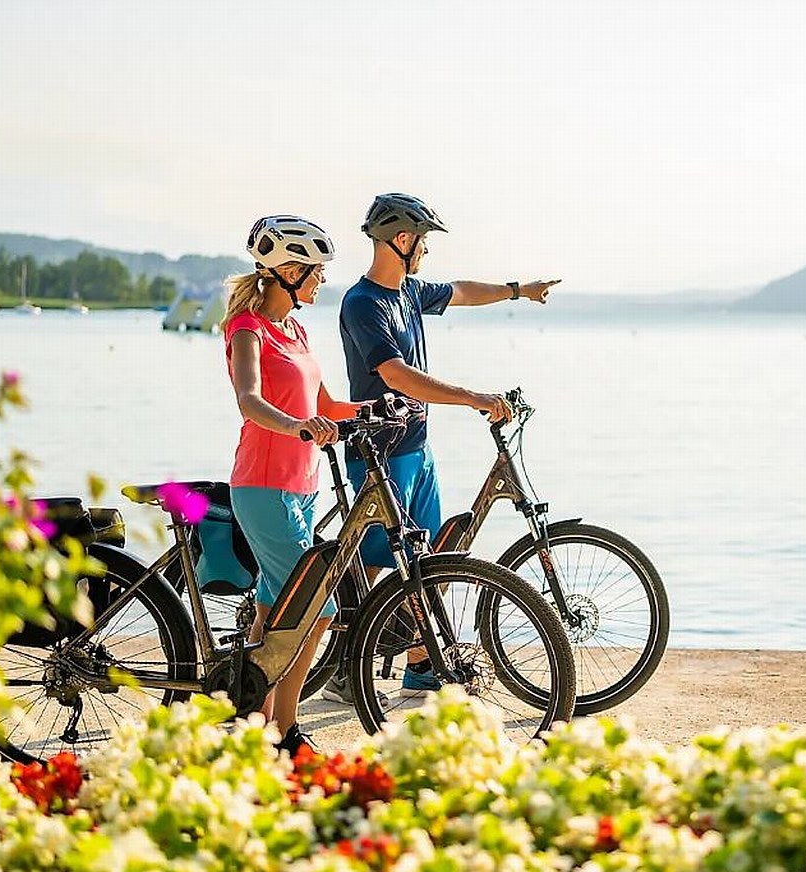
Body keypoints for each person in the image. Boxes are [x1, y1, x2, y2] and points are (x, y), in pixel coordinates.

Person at [322, 192, 559, 703]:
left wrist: (518, 291)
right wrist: (472, 397)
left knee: (426, 561)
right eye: (424, 241)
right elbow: (396, 375)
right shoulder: (362, 303)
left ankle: (419, 666)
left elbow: (462, 292)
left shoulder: (408, 291)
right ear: (403, 240)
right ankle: (344, 669)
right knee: (369, 564)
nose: (427, 251)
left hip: (417, 448)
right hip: (379, 454)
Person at [223, 214, 365, 755]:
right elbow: (250, 401)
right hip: (263, 486)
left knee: (272, 611)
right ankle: (286, 729)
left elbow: (325, 405)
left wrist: (379, 408)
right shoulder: (247, 329)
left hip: (302, 486)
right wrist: (298, 426)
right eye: (316, 270)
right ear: (287, 271)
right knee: (316, 609)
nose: (322, 279)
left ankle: (256, 726)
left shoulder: (296, 331)